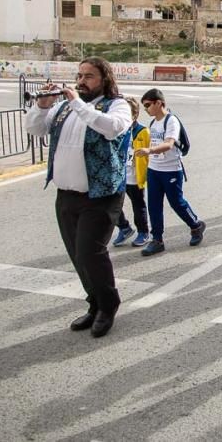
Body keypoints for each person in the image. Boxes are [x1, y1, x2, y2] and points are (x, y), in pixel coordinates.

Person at [25, 57, 132, 338]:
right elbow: (35, 129)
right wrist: (41, 106)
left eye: (89, 76)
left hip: (100, 196)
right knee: (77, 256)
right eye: (80, 75)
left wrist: (78, 104)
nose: (82, 81)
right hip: (66, 195)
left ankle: (108, 305)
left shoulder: (117, 106)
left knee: (90, 253)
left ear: (104, 80)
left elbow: (111, 128)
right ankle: (94, 303)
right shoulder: (64, 107)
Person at [137, 89, 206, 256]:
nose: (146, 109)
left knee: (177, 203)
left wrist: (149, 150)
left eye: (147, 105)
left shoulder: (171, 121)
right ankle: (157, 240)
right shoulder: (153, 123)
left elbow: (168, 144)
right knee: (153, 205)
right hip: (154, 170)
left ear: (158, 103)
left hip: (171, 171)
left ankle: (196, 225)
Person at [111, 97, 152, 248]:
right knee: (110, 204)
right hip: (118, 174)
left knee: (138, 204)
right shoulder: (116, 130)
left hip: (134, 175)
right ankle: (124, 227)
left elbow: (150, 154)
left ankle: (143, 231)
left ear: (134, 115)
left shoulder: (142, 131)